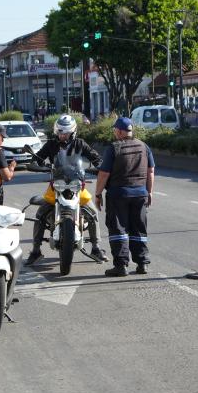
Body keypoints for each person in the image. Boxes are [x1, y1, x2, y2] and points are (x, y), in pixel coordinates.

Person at [25, 114, 106, 265]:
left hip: (76, 184)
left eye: (65, 133)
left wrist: (99, 165)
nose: (62, 135)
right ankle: (35, 251)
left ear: (73, 132)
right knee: (40, 214)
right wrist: (36, 164)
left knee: (92, 213)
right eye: (60, 132)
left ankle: (96, 248)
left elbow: (96, 157)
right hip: (57, 184)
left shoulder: (80, 144)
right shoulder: (50, 144)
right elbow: (38, 158)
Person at [93, 117, 155, 277]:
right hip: (140, 193)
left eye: (115, 130)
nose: (114, 133)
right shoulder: (144, 146)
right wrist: (149, 191)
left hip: (118, 194)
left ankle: (121, 265)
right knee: (138, 228)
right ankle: (142, 264)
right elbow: (150, 171)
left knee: (118, 229)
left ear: (120, 131)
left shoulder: (114, 148)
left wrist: (98, 194)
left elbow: (104, 173)